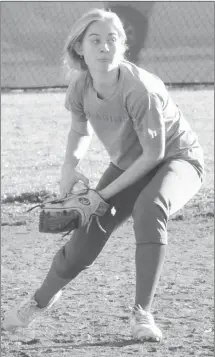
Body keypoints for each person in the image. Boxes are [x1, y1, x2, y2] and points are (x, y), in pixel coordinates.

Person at [3, 8, 204, 342]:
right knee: (83, 243)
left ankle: (142, 315)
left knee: (149, 207)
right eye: (94, 40)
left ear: (122, 46)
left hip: (177, 160)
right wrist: (69, 167)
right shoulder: (80, 86)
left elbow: (154, 155)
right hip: (129, 164)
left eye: (112, 39)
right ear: (80, 47)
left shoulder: (141, 90)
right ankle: (39, 302)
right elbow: (80, 132)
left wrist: (103, 194)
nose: (104, 46)